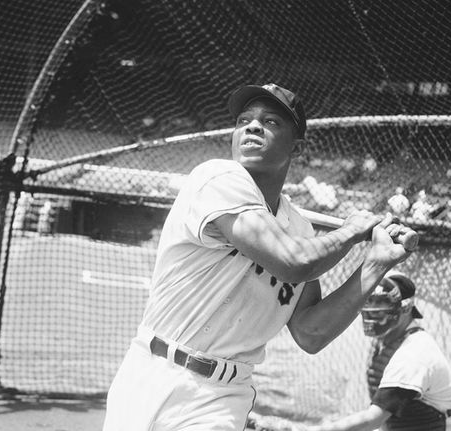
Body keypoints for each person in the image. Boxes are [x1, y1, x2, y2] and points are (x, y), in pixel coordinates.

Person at [102, 83, 414, 431]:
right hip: (152, 372)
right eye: (243, 120)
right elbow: (293, 262)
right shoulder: (217, 178)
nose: (252, 126)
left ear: (298, 148)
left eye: (271, 122)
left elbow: (311, 332)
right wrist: (351, 231)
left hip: (220, 396)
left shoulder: (300, 229)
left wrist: (377, 262)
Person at [306, 271, 451, 431]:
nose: (372, 310)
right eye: (369, 301)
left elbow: (373, 419)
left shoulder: (413, 355)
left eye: (380, 302)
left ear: (406, 308)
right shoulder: (388, 339)